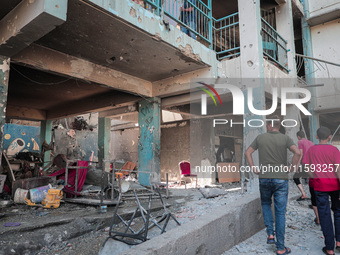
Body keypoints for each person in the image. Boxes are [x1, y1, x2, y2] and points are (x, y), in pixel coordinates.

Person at [245, 115, 300, 255]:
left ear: (269, 125)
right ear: (279, 126)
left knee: (265, 203)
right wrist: (291, 168)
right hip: (281, 178)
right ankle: (281, 248)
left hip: (264, 177)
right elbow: (297, 152)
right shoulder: (285, 138)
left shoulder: (260, 138)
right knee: (280, 212)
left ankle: (270, 233)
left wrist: (254, 168)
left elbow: (248, 153)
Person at [303, 126, 340, 255]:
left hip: (320, 186)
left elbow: (307, 167)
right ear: (330, 136)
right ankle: (339, 242)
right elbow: (338, 169)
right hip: (335, 185)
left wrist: (314, 176)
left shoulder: (311, 150)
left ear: (317, 136)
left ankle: (329, 248)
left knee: (324, 215)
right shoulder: (334, 150)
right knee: (338, 212)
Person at [295, 130, 320, 225]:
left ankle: (304, 194)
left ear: (298, 136)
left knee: (296, 177)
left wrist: (297, 165)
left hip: (305, 164)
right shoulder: (311, 142)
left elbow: (300, 154)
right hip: (313, 164)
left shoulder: (300, 142)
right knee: (312, 184)